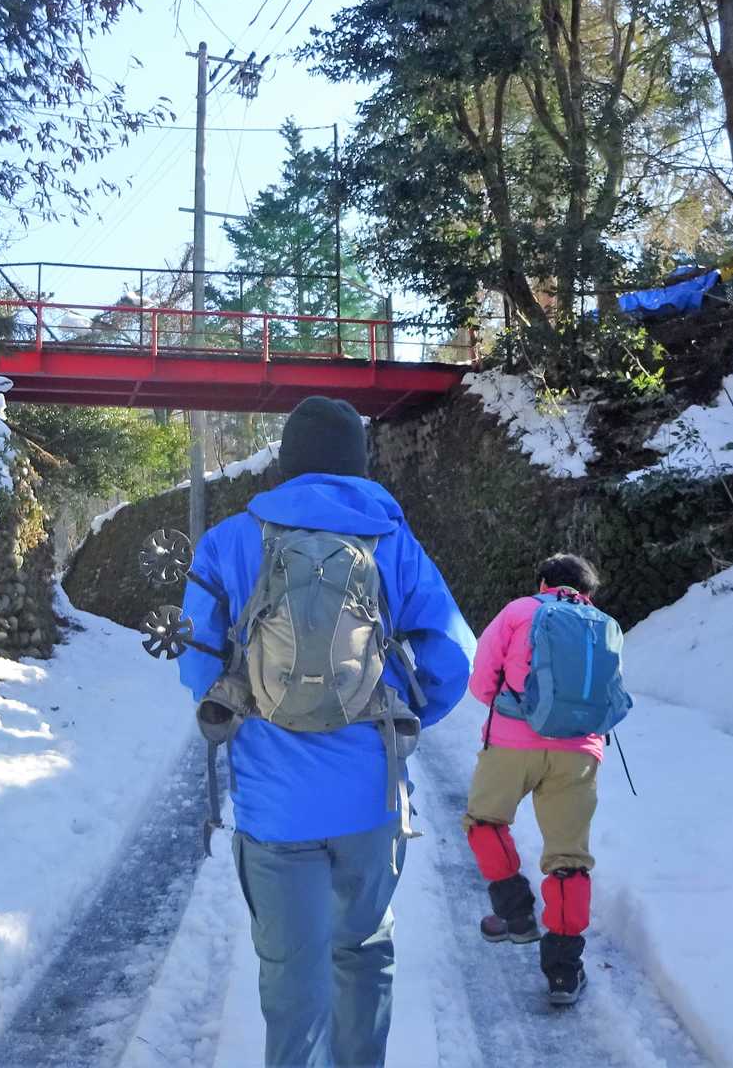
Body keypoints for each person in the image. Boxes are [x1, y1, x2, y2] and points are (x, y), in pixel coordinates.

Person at [178, 395, 473, 1068]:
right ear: (357, 462)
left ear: (287, 462)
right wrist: (398, 713)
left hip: (273, 803)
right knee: (362, 951)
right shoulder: (391, 540)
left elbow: (196, 666)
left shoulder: (229, 540)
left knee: (291, 973)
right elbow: (455, 657)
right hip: (370, 797)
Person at [462, 553, 616, 1007]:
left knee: (485, 822)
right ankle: (564, 972)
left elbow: (481, 683)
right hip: (579, 752)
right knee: (570, 860)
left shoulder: (518, 611)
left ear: (544, 582)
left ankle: (516, 914)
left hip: (512, 744)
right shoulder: (603, 625)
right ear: (588, 590)